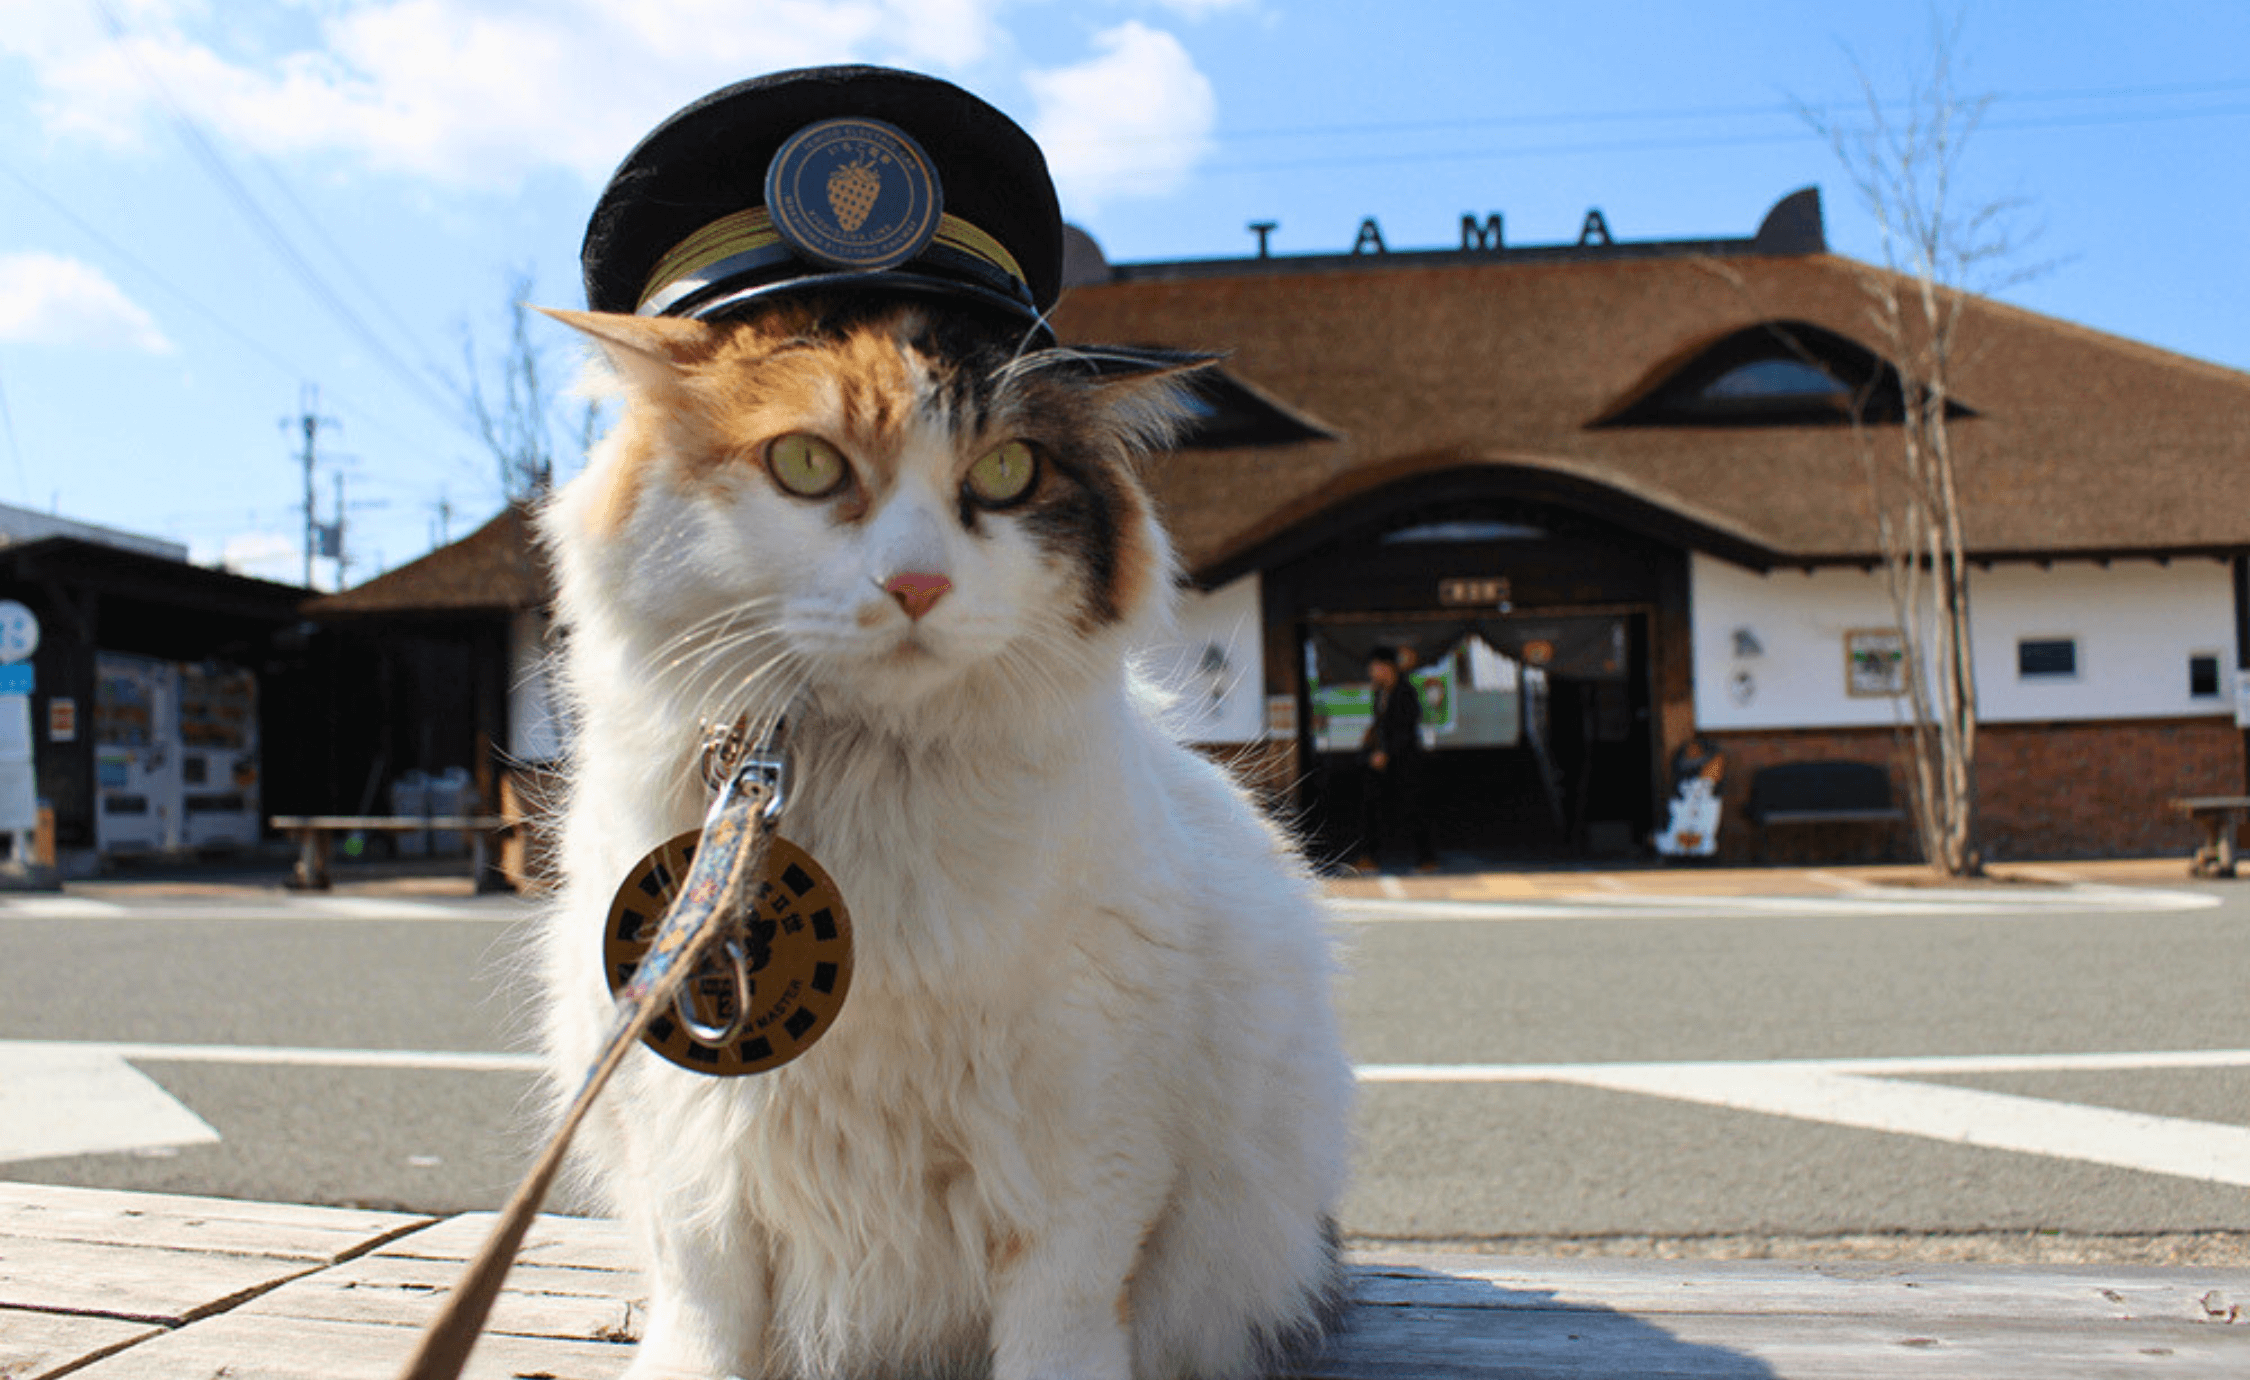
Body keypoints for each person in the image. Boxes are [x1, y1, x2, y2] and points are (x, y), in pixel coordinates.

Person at [1358, 647, 1437, 872]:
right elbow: (1381, 724)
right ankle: (1369, 856)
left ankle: (1427, 858)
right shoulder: (1380, 692)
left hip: (1406, 760)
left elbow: (1406, 730)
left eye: (1374, 667)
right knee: (1370, 804)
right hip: (1383, 761)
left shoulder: (1406, 692)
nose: (1371, 672)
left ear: (1387, 667)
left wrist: (1387, 752)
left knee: (1413, 808)